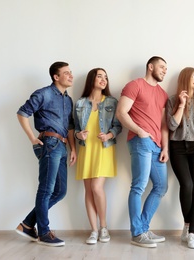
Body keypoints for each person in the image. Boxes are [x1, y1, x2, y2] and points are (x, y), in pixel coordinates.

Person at [15, 61, 77, 247]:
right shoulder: (44, 93)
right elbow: (22, 113)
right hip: (49, 143)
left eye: (71, 72)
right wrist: (32, 138)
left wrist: (73, 148)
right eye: (66, 73)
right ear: (56, 77)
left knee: (61, 191)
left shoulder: (68, 99)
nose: (71, 75)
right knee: (46, 189)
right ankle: (44, 232)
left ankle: (27, 224)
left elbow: (70, 126)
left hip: (63, 145)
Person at [116, 56, 169, 248]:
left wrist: (165, 147)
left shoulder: (163, 94)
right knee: (139, 186)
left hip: (156, 145)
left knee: (161, 187)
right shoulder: (135, 85)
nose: (164, 70)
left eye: (166, 68)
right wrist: (140, 131)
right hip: (141, 141)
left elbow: (164, 125)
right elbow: (121, 112)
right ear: (150, 66)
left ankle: (144, 228)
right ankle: (137, 233)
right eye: (162, 67)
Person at [74, 68, 122, 245]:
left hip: (103, 149)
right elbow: (74, 128)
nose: (104, 79)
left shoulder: (111, 101)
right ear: (91, 79)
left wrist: (109, 135)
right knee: (88, 190)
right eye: (100, 76)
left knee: (96, 187)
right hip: (86, 149)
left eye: (106, 77)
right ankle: (93, 230)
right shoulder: (80, 103)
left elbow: (118, 126)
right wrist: (79, 135)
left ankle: (104, 227)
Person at [165, 67, 194, 249]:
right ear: (185, 78)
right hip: (177, 147)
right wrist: (182, 104)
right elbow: (171, 125)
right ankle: (187, 225)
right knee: (187, 185)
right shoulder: (172, 100)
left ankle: (192, 233)